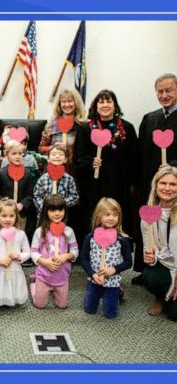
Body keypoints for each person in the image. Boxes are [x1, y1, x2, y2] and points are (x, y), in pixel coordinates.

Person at [74, 89, 138, 238]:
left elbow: (134, 158)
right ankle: (94, 251)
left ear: (115, 105)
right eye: (101, 102)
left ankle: (121, 251)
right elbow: (79, 158)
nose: (105, 105)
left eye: (109, 101)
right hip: (94, 185)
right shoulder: (86, 129)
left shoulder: (126, 129)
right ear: (95, 106)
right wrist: (91, 163)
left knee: (118, 215)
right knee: (95, 215)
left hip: (119, 184)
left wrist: (133, 184)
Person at [133, 74, 177, 283]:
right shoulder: (150, 118)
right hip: (151, 184)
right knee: (149, 223)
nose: (164, 95)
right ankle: (146, 269)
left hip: (173, 185)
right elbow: (140, 153)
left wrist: (172, 167)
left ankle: (171, 271)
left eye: (169, 90)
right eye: (160, 91)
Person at [80, 197, 132, 319]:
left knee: (110, 314)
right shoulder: (90, 237)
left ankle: (118, 292)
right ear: (99, 216)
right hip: (94, 280)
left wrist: (114, 269)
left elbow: (128, 262)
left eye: (115, 215)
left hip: (113, 282)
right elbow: (83, 259)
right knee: (89, 310)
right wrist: (92, 274)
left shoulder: (122, 239)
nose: (111, 218)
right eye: (107, 214)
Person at [141, 166, 177, 321]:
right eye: (163, 183)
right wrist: (150, 256)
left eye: (173, 184)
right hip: (165, 263)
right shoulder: (148, 214)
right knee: (150, 276)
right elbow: (149, 247)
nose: (167, 188)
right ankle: (161, 296)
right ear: (155, 186)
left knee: (174, 316)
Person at [30, 195, 78, 309]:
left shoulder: (69, 231)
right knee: (39, 305)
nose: (57, 213)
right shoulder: (39, 231)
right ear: (46, 211)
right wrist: (45, 262)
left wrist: (66, 256)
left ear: (65, 211)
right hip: (43, 275)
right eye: (52, 210)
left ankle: (55, 290)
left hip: (61, 276)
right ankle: (33, 282)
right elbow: (33, 252)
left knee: (62, 305)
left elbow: (75, 251)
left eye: (60, 210)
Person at [0, 198, 30, 306]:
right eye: (4, 216)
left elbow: (27, 251)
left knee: (13, 288)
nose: (8, 219)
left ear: (16, 217)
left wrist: (19, 256)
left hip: (14, 268)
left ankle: (13, 299)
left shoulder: (20, 234)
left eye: (11, 216)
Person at [39, 88, 86, 174]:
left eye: (70, 101)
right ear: (59, 104)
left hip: (76, 171)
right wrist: (53, 148)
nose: (67, 104)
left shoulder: (83, 125)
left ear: (76, 103)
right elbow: (41, 149)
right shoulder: (51, 125)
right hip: (54, 169)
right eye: (63, 102)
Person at [33, 143, 79, 223]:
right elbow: (36, 196)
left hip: (62, 217)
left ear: (65, 159)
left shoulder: (69, 179)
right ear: (48, 158)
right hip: (44, 217)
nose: (57, 156)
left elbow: (75, 197)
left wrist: (61, 205)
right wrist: (45, 207)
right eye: (54, 154)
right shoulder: (43, 179)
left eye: (60, 154)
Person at [0, 140, 34, 229]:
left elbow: (30, 194)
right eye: (14, 154)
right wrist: (5, 202)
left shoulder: (27, 174)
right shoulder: (1, 173)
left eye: (20, 153)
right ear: (6, 155)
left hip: (21, 215)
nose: (17, 157)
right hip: (4, 215)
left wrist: (22, 204)